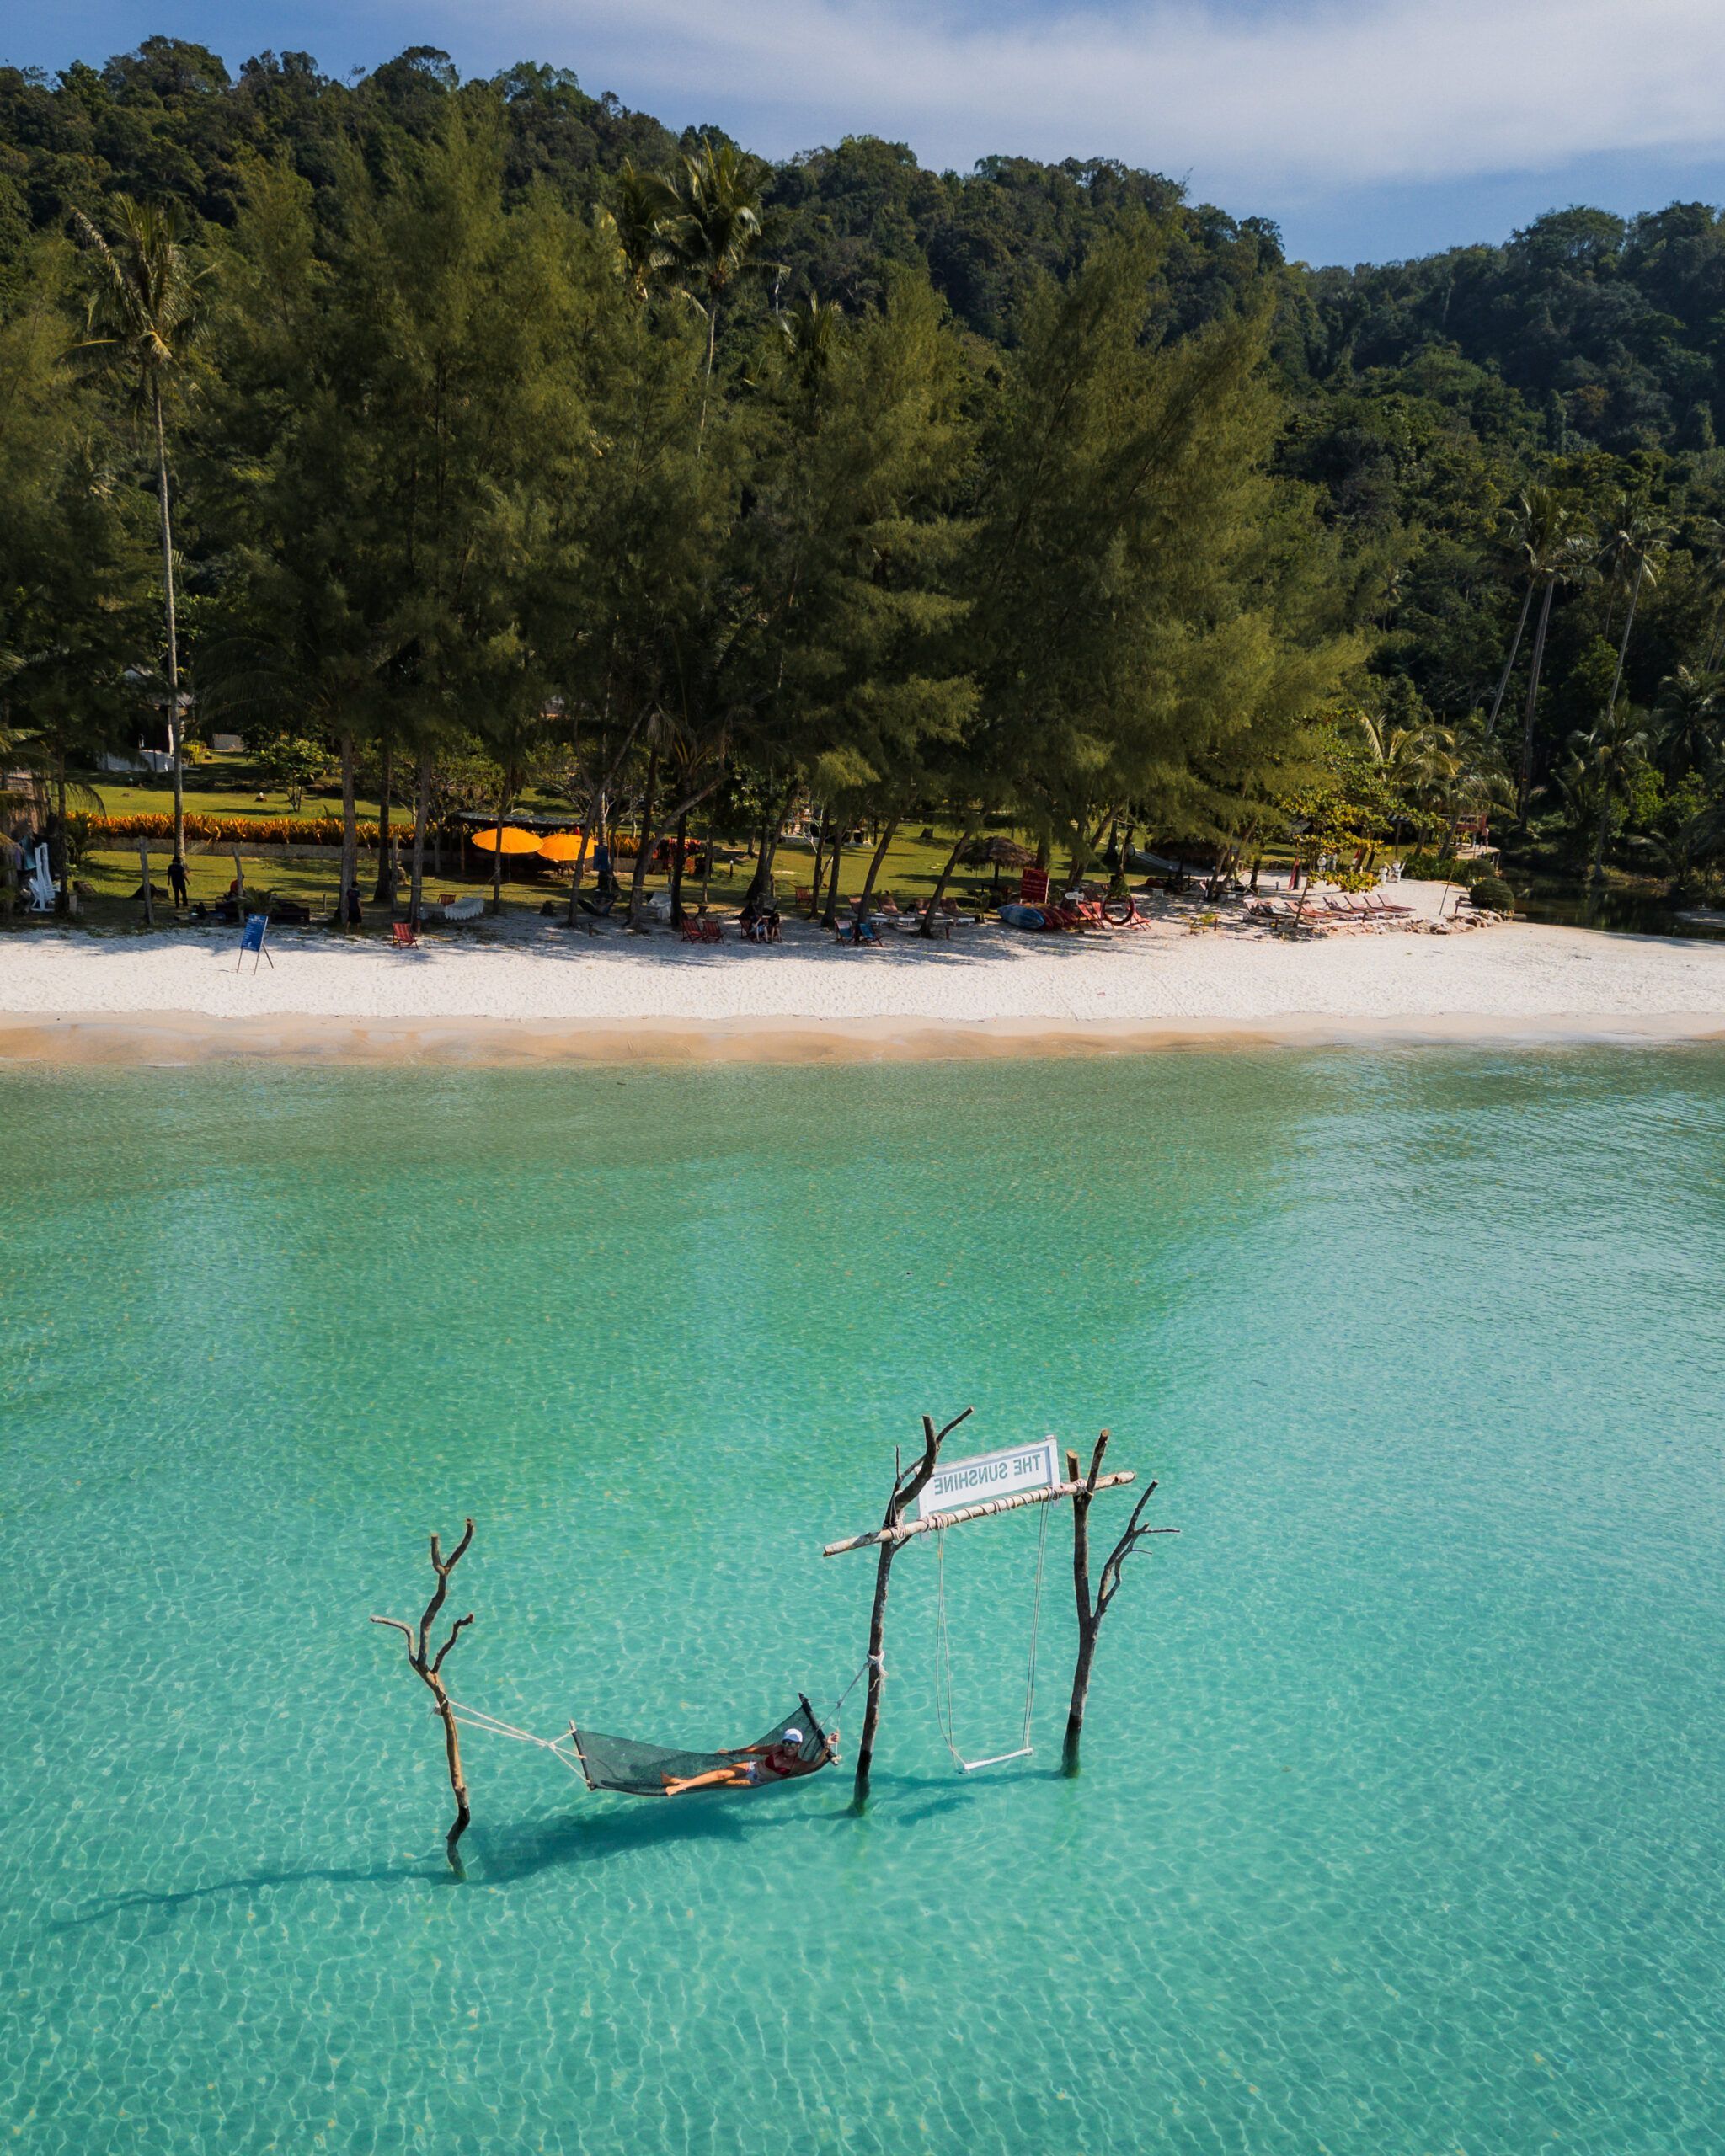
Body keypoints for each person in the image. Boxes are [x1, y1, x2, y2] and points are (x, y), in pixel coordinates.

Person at [661, 1723, 836, 1797]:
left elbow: (814, 1766)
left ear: (799, 1745)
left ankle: (679, 1781)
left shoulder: (797, 1765)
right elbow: (754, 1749)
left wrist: (827, 1746)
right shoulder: (776, 1748)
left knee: (722, 1783)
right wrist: (731, 1752)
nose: (789, 1746)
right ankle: (681, 1786)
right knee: (721, 1774)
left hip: (756, 1781)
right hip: (750, 1767)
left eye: (794, 1743)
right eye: (787, 1742)